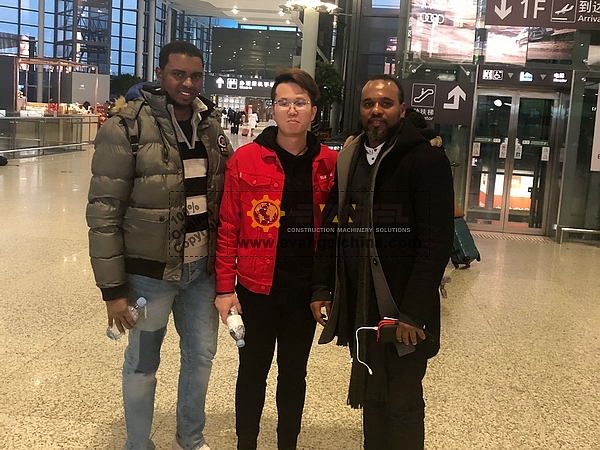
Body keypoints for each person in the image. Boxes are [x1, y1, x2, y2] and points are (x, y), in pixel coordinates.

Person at [86, 41, 234, 450]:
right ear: (160, 73)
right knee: (143, 363)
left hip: (201, 273)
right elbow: (103, 212)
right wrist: (113, 291)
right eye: (178, 74)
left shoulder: (211, 126)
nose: (188, 83)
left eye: (196, 76)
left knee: (201, 358)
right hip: (150, 275)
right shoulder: (126, 127)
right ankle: (138, 444)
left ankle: (191, 439)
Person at [311, 74, 454, 450]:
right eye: (368, 103)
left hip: (402, 305)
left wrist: (413, 313)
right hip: (362, 303)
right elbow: (333, 226)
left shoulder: (425, 160)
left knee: (402, 400)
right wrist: (323, 286)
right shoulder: (349, 157)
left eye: (386, 103)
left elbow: (436, 242)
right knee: (372, 393)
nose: (376, 110)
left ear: (402, 109)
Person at [215, 68, 338, 450]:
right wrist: (225, 289)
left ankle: (288, 443)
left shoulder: (330, 164)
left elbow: (335, 233)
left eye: (300, 102)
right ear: (273, 109)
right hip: (256, 289)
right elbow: (229, 226)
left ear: (313, 111)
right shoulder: (246, 160)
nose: (292, 110)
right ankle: (246, 443)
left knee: (294, 375)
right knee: (252, 372)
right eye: (284, 102)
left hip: (305, 293)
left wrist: (328, 288)